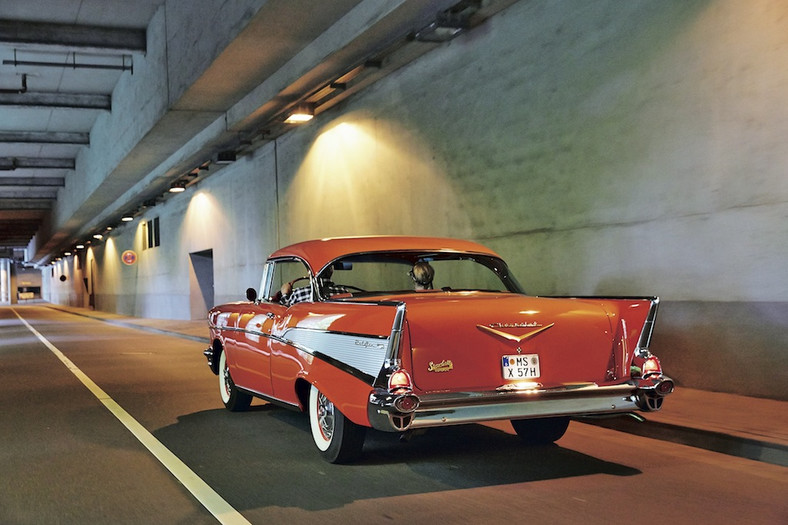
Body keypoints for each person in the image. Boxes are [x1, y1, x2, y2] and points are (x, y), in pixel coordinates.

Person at [277, 267, 349, 306]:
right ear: (331, 271)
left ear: (309, 272)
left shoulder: (299, 293)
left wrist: (285, 294)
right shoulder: (343, 292)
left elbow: (283, 311)